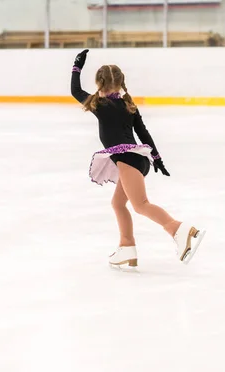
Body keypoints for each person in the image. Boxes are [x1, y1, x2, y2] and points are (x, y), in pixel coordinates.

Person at [70, 49, 206, 267]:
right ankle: (126, 247)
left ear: (99, 84)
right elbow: (143, 134)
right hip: (138, 160)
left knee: (141, 205)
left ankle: (178, 229)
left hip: (128, 161)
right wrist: (157, 158)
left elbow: (75, 90)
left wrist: (77, 66)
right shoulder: (127, 104)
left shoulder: (100, 104)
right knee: (118, 203)